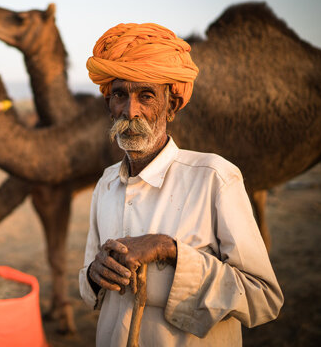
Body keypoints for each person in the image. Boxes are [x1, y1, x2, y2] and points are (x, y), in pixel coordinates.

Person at [79, 23, 283, 346]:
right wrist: (94, 274)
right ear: (108, 105)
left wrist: (168, 249)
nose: (130, 111)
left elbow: (264, 297)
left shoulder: (215, 178)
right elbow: (87, 281)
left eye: (145, 96)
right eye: (120, 95)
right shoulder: (106, 185)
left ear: (171, 106)